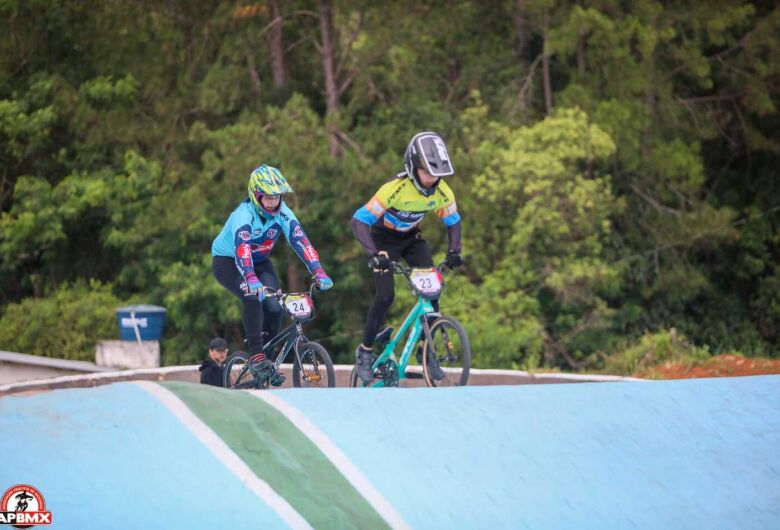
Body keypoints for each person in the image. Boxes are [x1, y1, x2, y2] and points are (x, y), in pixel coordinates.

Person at [351, 131, 463, 384]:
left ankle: (428, 351)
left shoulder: (441, 191)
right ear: (413, 167)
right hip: (382, 240)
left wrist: (455, 251)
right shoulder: (395, 188)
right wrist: (373, 253)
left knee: (433, 291)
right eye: (427, 173)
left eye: (437, 175)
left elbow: (453, 222)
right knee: (385, 296)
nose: (432, 180)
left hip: (412, 239)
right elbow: (359, 221)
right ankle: (365, 352)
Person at [212, 164, 333, 386]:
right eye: (267, 198)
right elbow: (242, 250)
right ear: (255, 196)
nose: (273, 203)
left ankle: (267, 359)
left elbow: (301, 241)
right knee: (253, 295)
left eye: (276, 197)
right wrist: (249, 278)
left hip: (260, 262)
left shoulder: (284, 213)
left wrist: (318, 270)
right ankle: (257, 354)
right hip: (228, 262)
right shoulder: (243, 216)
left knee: (276, 306)